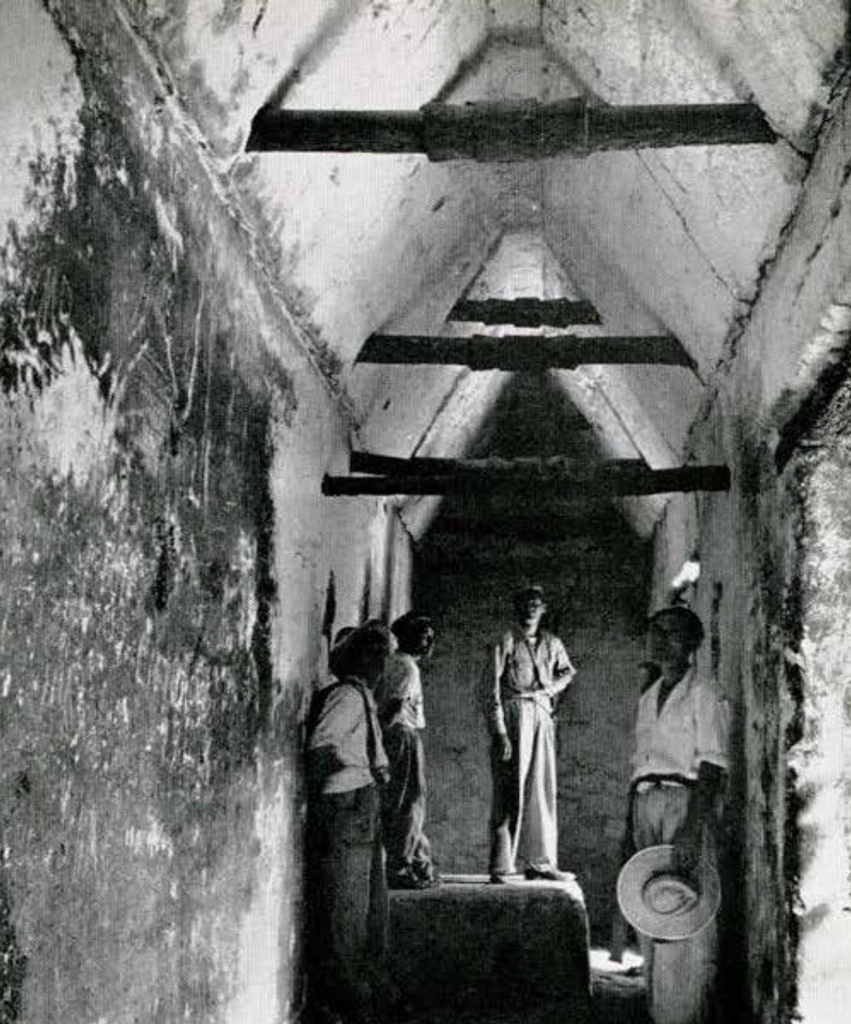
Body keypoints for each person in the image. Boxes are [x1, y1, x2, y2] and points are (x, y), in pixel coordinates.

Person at [622, 605, 729, 1024]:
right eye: (656, 633)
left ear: (693, 644)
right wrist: (628, 825)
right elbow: (639, 765)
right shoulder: (649, 698)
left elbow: (713, 766)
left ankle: (681, 1015)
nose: (662, 641)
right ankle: (658, 1009)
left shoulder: (704, 692)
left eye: (673, 633)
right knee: (651, 905)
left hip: (683, 803)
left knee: (685, 910)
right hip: (645, 801)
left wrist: (691, 828)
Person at [305, 621, 394, 1024]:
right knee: (345, 908)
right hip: (347, 802)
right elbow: (321, 750)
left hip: (362, 801)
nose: (380, 662)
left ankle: (361, 991)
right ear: (353, 656)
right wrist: (331, 809)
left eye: (383, 654)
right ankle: (345, 1000)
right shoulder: (345, 696)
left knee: (364, 907)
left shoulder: (363, 697)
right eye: (371, 652)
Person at [482, 584, 576, 883]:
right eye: (525, 603)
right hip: (514, 711)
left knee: (542, 788)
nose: (531, 609)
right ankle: (502, 865)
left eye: (536, 604)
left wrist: (550, 690)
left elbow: (567, 672)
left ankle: (541, 862)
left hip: (542, 713)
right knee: (511, 789)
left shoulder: (552, 642)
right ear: (516, 607)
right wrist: (499, 730)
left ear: (544, 609)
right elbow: (490, 687)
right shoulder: (505, 640)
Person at [375, 612, 438, 890]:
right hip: (401, 735)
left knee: (400, 800)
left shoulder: (392, 662)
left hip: (393, 735)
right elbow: (394, 707)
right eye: (422, 636)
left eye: (429, 636)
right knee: (409, 801)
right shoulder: (407, 669)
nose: (427, 642)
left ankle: (409, 859)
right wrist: (381, 738)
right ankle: (399, 865)